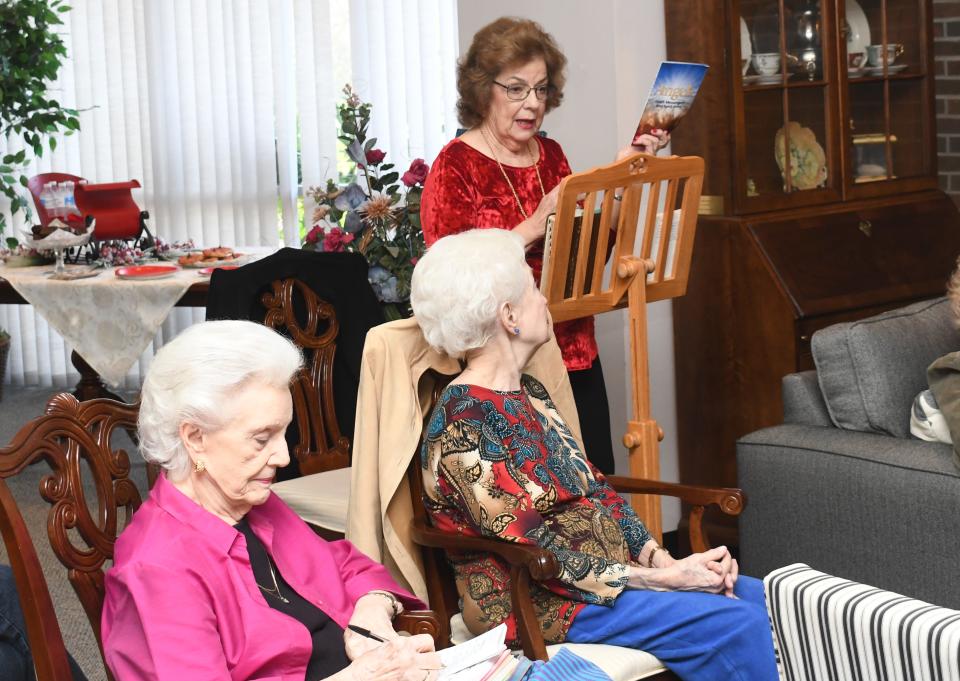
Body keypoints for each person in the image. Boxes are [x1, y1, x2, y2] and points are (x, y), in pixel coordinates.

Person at [411, 230, 779, 681]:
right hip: (538, 601)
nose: (545, 300)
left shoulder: (531, 393)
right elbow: (534, 552)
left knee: (766, 600)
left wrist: (666, 562)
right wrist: (664, 582)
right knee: (735, 621)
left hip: (604, 582)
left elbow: (594, 488)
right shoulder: (463, 423)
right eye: (532, 289)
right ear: (508, 316)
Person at [101, 320, 443, 681]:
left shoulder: (248, 501)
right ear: (196, 437)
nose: (283, 456)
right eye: (262, 439)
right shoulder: (156, 568)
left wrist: (372, 608)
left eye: (283, 433)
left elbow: (343, 564)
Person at [420, 17, 670, 476]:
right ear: (483, 90)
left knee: (598, 487)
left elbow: (589, 250)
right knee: (544, 503)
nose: (532, 103)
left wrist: (622, 178)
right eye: (515, 89)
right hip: (507, 368)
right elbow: (449, 280)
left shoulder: (550, 155)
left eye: (540, 89)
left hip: (576, 345)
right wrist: (534, 225)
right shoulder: (455, 165)